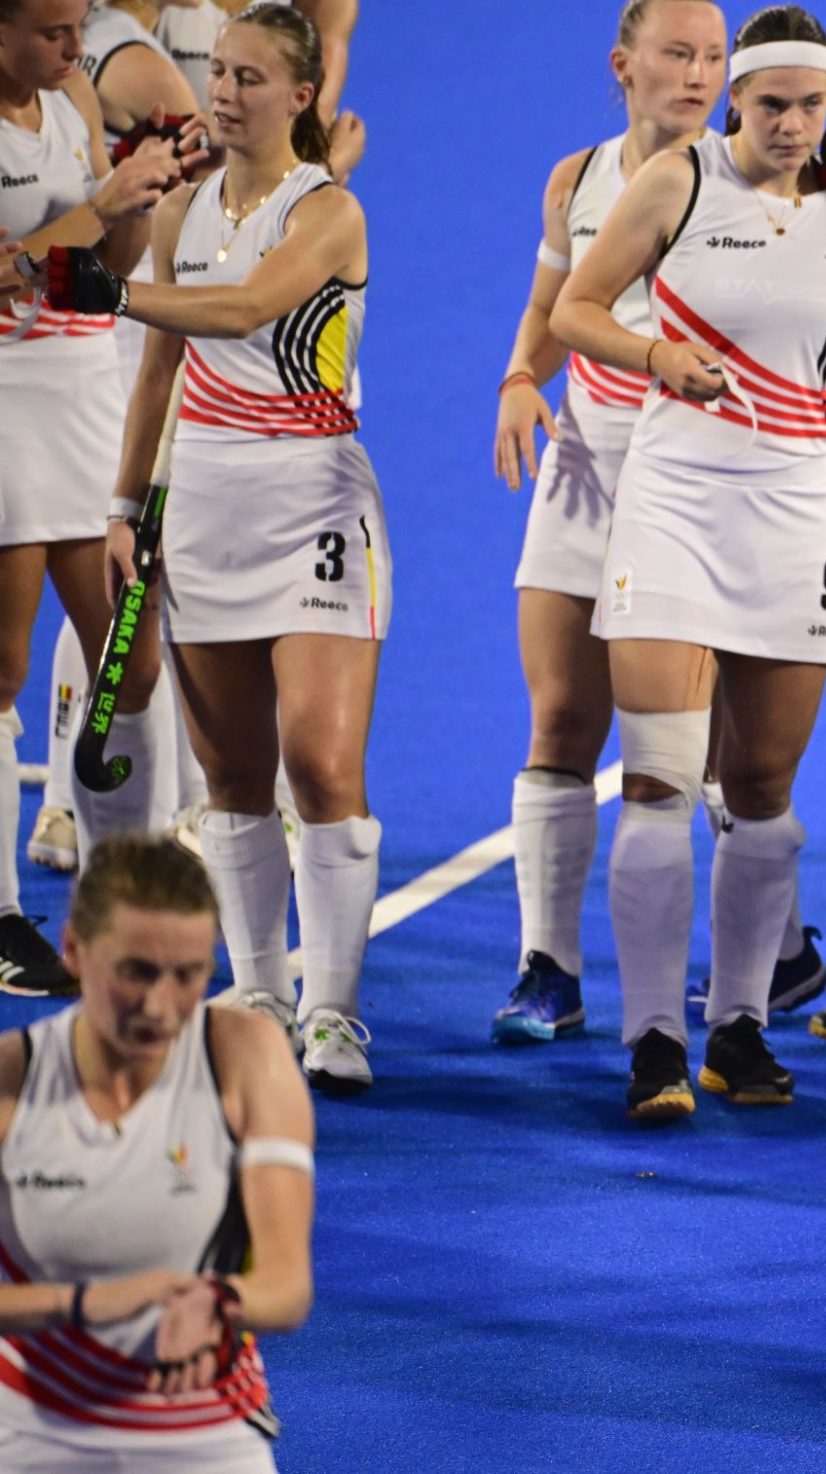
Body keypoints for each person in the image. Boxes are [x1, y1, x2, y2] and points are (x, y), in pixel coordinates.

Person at [550, 4, 826, 1120]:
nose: (791, 124)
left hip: (793, 510)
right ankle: (652, 1040)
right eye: (772, 102)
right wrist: (652, 354)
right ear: (737, 97)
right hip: (676, 501)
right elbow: (576, 309)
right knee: (657, 782)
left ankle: (738, 1025)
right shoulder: (678, 183)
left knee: (763, 792)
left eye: (812, 107)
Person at [33, 2, 389, 1091]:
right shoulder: (184, 208)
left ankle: (333, 1012)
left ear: (299, 97)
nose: (223, 91)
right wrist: (123, 510)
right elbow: (158, 377)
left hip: (319, 509)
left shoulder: (328, 212)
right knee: (233, 774)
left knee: (322, 766)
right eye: (218, 72)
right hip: (207, 512)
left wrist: (113, 288)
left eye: (248, 77)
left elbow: (243, 312)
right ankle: (263, 991)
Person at [486, 0, 729, 1045]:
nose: (701, 74)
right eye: (678, 53)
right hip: (585, 464)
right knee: (559, 723)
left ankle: (720, 972)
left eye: (715, 56)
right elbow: (552, 310)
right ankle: (551, 967)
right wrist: (514, 380)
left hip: (699, 475)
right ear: (622, 65)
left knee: (699, 753)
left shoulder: (745, 185)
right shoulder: (574, 179)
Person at [0, 835, 314, 1473]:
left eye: (189, 974)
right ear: (74, 953)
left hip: (204, 1429)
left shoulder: (245, 1057)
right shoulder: (13, 1081)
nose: (160, 1006)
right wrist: (83, 1305)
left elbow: (286, 1287)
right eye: (136, 971)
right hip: (33, 1430)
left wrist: (220, 1301)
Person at [0, 0, 198, 998]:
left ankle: (125, 887)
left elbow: (97, 273)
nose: (75, 51)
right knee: (2, 661)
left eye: (77, 30)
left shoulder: (74, 99)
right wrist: (102, 196)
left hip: (82, 390)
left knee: (132, 653)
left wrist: (134, 210)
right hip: (4, 397)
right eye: (50, 33)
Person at [153, 0, 361, 182]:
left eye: (249, 79)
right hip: (169, 188)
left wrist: (315, 175)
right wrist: (325, 170)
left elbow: (306, 130)